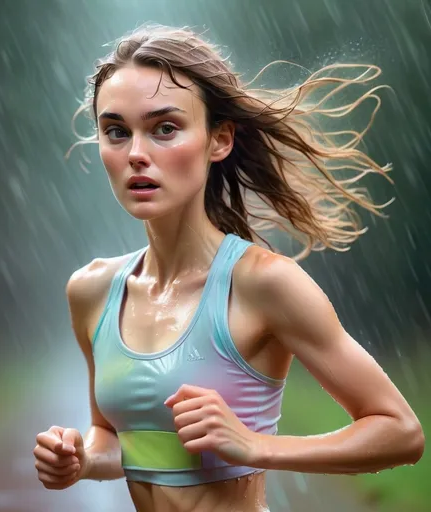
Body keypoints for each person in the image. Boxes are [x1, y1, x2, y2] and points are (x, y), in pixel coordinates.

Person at [33, 25, 424, 512]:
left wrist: (256, 445)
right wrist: (81, 459)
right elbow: (118, 438)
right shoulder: (91, 290)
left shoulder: (264, 284)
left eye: (164, 128)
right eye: (116, 131)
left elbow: (401, 432)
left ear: (219, 140)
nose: (136, 153)